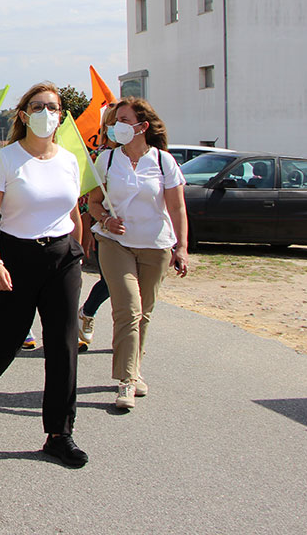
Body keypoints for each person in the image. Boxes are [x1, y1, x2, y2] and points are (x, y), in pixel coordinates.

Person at [0, 82, 89, 469]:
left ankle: (59, 433)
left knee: (63, 344)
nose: (46, 114)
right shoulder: (6, 160)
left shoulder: (69, 159)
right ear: (23, 114)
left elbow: (73, 214)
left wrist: (78, 253)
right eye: (38, 107)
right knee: (11, 336)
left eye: (53, 107)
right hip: (16, 255)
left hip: (62, 256)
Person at [87, 97, 189, 410]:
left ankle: (135, 369)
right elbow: (92, 203)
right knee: (128, 308)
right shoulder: (106, 160)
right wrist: (105, 219)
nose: (117, 126)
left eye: (124, 120)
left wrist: (181, 247)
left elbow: (176, 206)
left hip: (155, 245)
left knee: (143, 312)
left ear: (142, 127)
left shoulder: (162, 161)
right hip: (115, 243)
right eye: (115, 121)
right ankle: (126, 380)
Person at [79, 105, 119, 351]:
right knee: (111, 281)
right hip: (104, 231)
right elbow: (85, 201)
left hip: (137, 235)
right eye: (115, 122)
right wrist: (86, 233)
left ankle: (127, 334)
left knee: (131, 288)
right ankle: (87, 312)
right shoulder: (98, 156)